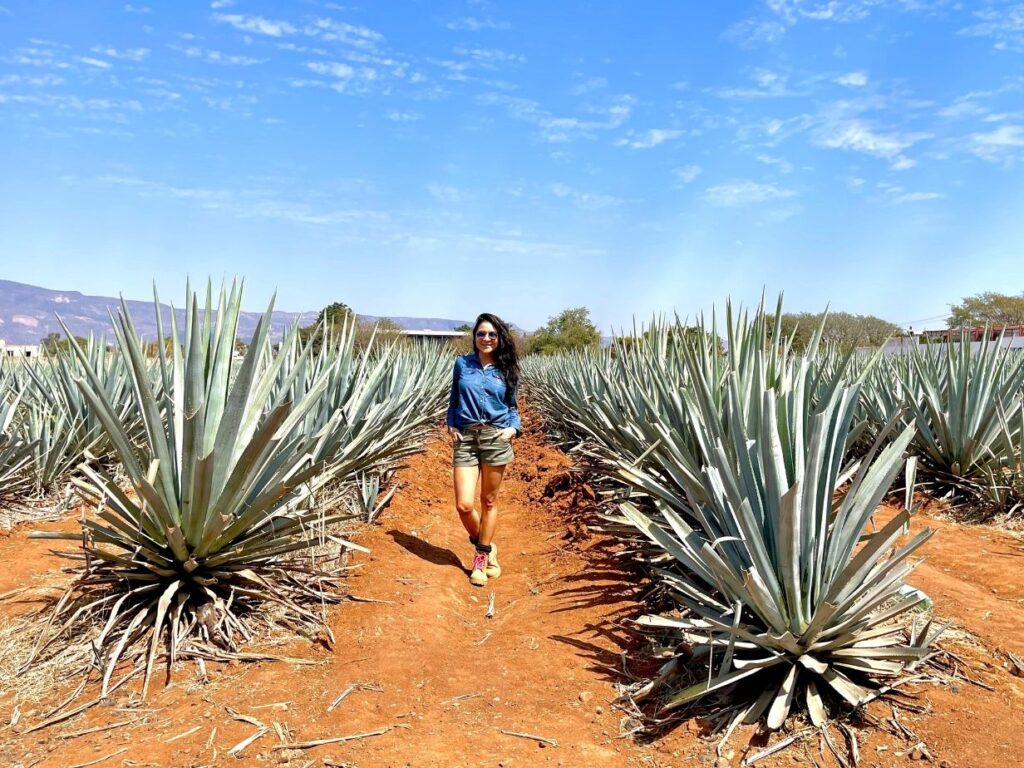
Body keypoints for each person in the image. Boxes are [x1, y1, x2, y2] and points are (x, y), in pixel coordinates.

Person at [446, 313, 522, 587]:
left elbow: (513, 408)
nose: (486, 339)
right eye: (481, 334)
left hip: (495, 438)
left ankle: (481, 556)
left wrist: (513, 429)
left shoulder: (507, 368)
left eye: (491, 334)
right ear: (474, 337)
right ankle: (487, 544)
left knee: (488, 502)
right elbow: (453, 399)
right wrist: (451, 424)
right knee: (464, 505)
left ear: (499, 338)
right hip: (465, 439)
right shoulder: (462, 364)